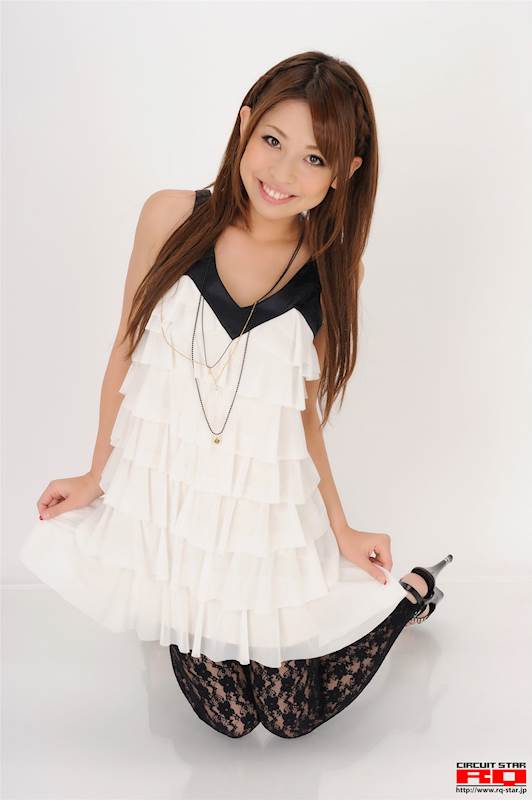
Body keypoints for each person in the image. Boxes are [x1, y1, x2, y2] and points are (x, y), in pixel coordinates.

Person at [19, 50, 453, 739]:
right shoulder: (169, 216)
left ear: (344, 173)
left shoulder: (333, 269)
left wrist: (341, 528)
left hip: (259, 520)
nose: (282, 174)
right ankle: (183, 602)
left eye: (314, 158)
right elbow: (125, 348)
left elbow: (301, 415)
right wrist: (98, 474)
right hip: (176, 515)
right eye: (273, 140)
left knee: (287, 716)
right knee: (230, 718)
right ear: (245, 124)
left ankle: (410, 598)